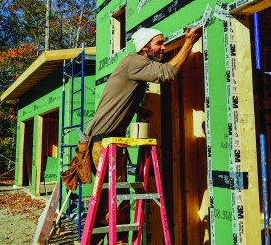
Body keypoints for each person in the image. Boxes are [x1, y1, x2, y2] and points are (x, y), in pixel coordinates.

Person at [85, 25, 203, 244]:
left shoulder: (133, 65)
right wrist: (189, 43)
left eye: (163, 43)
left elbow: (118, 95)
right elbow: (168, 74)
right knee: (113, 202)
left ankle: (108, 241)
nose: (163, 47)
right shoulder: (135, 62)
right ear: (145, 48)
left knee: (109, 201)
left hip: (106, 140)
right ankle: (110, 242)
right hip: (104, 142)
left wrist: (136, 109)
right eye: (159, 43)